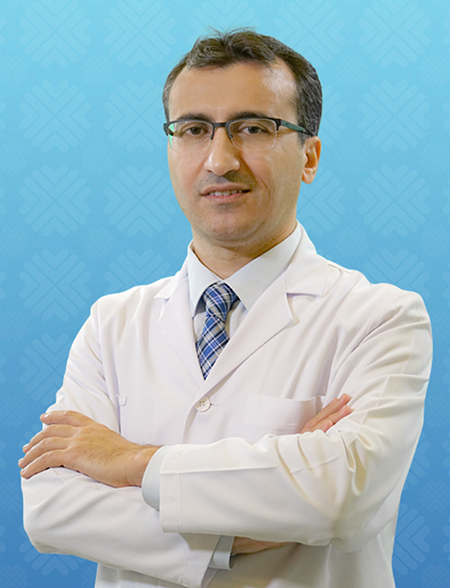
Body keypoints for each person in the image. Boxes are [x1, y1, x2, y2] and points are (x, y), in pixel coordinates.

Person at [20, 29, 432, 588]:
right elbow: (51, 507)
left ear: (309, 156)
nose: (219, 159)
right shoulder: (112, 323)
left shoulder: (380, 318)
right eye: (194, 130)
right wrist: (250, 525)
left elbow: (340, 497)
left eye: (253, 128)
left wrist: (131, 462)